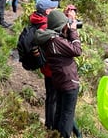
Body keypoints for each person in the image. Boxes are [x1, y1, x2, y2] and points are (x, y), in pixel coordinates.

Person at [34, 10, 82, 138]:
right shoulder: (55, 40)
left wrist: (66, 31)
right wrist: (73, 31)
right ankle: (64, 135)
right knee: (67, 114)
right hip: (68, 81)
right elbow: (77, 50)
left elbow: (63, 48)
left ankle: (55, 134)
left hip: (59, 80)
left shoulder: (48, 38)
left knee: (59, 112)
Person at [28, 0, 59, 130]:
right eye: (53, 8)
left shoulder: (36, 20)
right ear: (47, 11)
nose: (55, 10)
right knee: (53, 97)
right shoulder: (45, 26)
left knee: (50, 96)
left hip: (45, 66)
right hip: (51, 67)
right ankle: (51, 125)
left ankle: (49, 122)